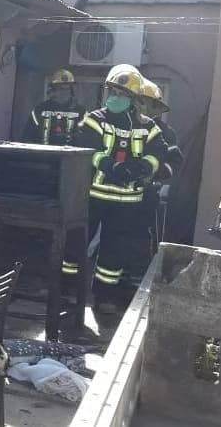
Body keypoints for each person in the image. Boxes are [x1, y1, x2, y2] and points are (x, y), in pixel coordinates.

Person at [63, 64, 169, 314]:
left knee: (114, 252)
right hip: (93, 196)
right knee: (75, 246)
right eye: (111, 91)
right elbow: (88, 149)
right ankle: (65, 290)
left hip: (128, 203)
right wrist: (112, 166)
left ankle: (104, 298)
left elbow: (160, 153)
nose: (114, 97)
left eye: (121, 94)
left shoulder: (149, 127)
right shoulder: (94, 119)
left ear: (133, 99)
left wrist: (144, 167)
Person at [138, 79, 183, 250]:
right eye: (138, 100)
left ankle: (139, 274)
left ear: (155, 107)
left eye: (144, 102)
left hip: (149, 195)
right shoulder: (124, 125)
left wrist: (155, 174)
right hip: (120, 194)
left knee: (144, 239)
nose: (140, 106)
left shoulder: (165, 132)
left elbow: (174, 161)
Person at [23, 69, 85, 146]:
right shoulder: (40, 110)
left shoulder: (81, 112)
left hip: (70, 157)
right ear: (53, 90)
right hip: (43, 156)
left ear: (71, 90)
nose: (64, 92)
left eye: (67, 88)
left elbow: (85, 139)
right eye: (61, 88)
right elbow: (27, 137)